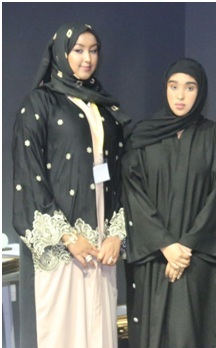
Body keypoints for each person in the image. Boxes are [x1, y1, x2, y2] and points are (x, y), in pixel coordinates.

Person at [12, 22, 130, 347]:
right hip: (63, 249)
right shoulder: (40, 104)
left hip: (99, 249)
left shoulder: (104, 107)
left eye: (93, 50)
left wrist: (116, 234)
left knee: (99, 332)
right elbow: (29, 176)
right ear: (61, 54)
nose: (87, 58)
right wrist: (67, 237)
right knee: (62, 333)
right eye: (78, 50)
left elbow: (119, 177)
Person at [121, 58, 216, 348]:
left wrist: (184, 248)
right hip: (155, 258)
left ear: (200, 92)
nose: (180, 95)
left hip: (196, 259)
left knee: (191, 332)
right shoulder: (142, 137)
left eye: (189, 87)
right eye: (174, 87)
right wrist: (166, 244)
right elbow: (133, 192)